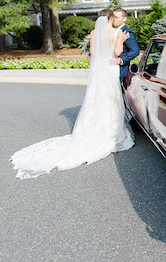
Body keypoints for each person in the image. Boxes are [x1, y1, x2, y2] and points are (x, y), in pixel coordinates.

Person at [10, 9, 134, 179]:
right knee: (112, 100)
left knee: (96, 98)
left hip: (99, 70)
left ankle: (93, 130)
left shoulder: (93, 33)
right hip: (111, 68)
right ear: (111, 18)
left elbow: (94, 52)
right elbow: (118, 53)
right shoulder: (117, 33)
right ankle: (112, 132)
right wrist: (119, 41)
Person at [112, 8, 140, 83]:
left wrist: (121, 60)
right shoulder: (111, 31)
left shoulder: (127, 33)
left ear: (124, 19)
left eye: (117, 17)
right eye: (113, 17)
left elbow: (135, 51)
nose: (114, 19)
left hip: (120, 69)